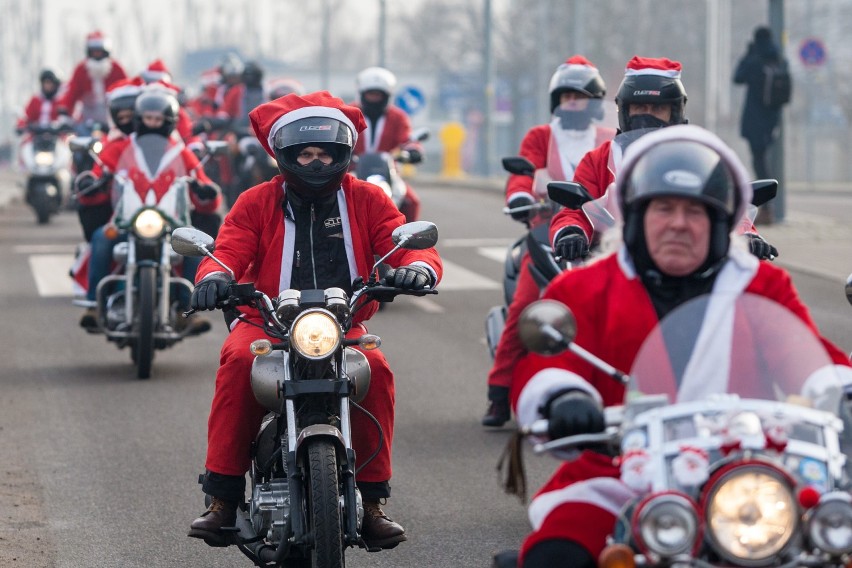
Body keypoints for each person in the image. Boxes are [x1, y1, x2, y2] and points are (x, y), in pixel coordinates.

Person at [505, 125, 852, 568]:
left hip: (746, 469)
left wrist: (841, 391)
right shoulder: (584, 287)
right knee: (557, 554)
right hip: (619, 474)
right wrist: (562, 397)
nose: (678, 224)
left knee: (830, 543)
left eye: (696, 211)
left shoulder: (761, 285)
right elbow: (547, 364)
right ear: (635, 215)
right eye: (663, 208)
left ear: (720, 222)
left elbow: (808, 355)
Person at [186, 91, 443, 550]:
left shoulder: (367, 198)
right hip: (265, 324)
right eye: (305, 152)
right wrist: (212, 277)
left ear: (343, 153)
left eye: (325, 151)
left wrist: (418, 267)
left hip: (342, 325)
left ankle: (373, 502)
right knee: (240, 362)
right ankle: (222, 499)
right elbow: (226, 252)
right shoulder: (255, 201)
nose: (316, 160)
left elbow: (406, 243)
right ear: (284, 155)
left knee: (377, 370)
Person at [482, 56, 616, 427]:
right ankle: (498, 393)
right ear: (556, 100)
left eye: (583, 97)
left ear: (597, 101)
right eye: (568, 96)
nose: (575, 103)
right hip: (546, 231)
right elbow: (523, 173)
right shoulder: (541, 136)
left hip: (603, 236)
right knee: (526, 307)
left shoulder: (610, 140)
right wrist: (519, 196)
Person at [548, 56, 777, 264]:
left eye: (658, 108)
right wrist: (571, 232)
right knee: (557, 304)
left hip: (687, 260)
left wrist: (747, 235)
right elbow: (574, 211)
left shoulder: (698, 158)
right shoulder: (598, 159)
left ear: (675, 112)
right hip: (612, 258)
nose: (647, 114)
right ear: (625, 111)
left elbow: (725, 207)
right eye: (640, 107)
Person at [77, 86, 221, 332]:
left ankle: (187, 310)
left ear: (169, 121)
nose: (153, 124)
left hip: (171, 223)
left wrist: (206, 191)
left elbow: (203, 183)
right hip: (125, 220)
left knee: (194, 246)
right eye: (148, 118)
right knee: (101, 238)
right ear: (139, 119)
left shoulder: (181, 152)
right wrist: (90, 182)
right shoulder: (121, 147)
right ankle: (94, 304)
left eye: (158, 119)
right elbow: (99, 173)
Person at [352, 66, 424, 223]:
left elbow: (407, 139)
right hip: (352, 171)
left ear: (387, 96)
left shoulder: (398, 117)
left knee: (411, 202)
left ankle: (410, 242)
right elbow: (338, 134)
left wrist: (413, 151)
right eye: (371, 94)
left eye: (378, 94)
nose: (374, 98)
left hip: (388, 171)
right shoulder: (349, 112)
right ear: (362, 94)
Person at [734, 26, 785, 181]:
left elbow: (737, 77)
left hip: (754, 117)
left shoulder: (754, 60)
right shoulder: (778, 59)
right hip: (773, 117)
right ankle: (771, 194)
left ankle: (767, 196)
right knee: (765, 157)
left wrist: (747, 54)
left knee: (758, 158)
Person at [56, 30, 127, 129]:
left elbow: (126, 89)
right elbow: (71, 93)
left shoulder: (116, 69)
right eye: (94, 51)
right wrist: (64, 112)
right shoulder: (81, 70)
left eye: (99, 51)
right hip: (86, 121)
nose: (97, 54)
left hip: (113, 121)